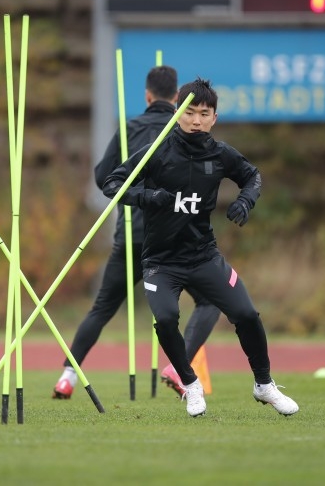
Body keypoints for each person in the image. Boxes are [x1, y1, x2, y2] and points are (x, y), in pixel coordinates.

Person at [102, 77, 298, 417]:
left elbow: (252, 176)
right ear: (177, 113)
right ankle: (190, 384)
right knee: (165, 318)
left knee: (247, 315)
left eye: (204, 113)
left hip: (204, 256)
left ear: (214, 118)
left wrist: (246, 201)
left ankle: (264, 385)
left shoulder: (220, 154)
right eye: (189, 112)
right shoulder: (158, 150)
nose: (196, 120)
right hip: (161, 262)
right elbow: (112, 183)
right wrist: (149, 197)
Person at [53, 66, 221, 399]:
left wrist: (133, 193)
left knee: (102, 308)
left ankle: (68, 377)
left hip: (130, 234)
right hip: (175, 240)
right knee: (210, 301)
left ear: (147, 96)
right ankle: (179, 366)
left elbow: (104, 177)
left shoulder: (129, 128)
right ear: (177, 99)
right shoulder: (183, 133)